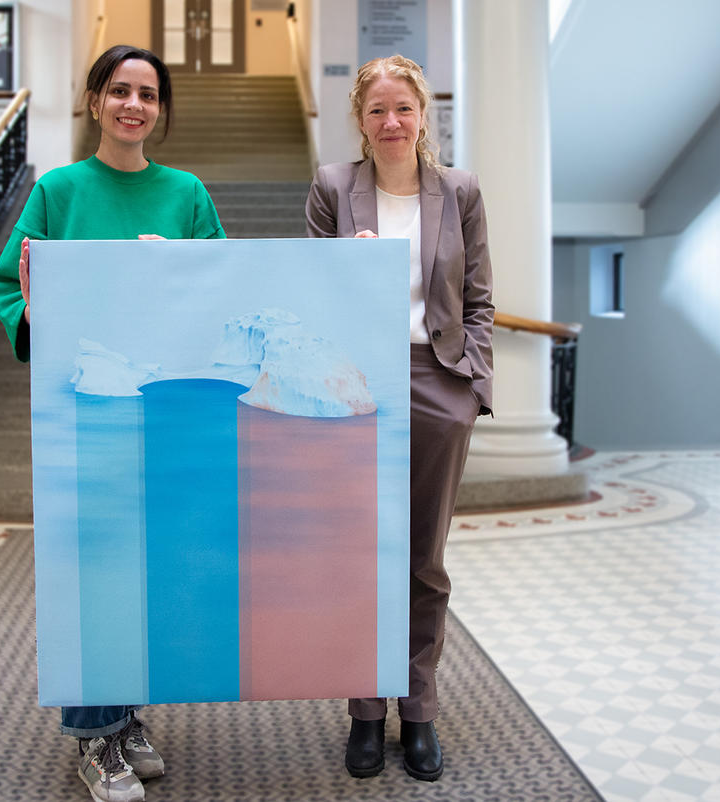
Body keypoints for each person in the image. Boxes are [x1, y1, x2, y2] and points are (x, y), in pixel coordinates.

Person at [0, 44, 226, 802]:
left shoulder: (186, 193)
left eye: (148, 95)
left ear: (161, 110)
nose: (133, 105)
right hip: (86, 407)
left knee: (144, 568)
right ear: (95, 101)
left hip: (164, 408)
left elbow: (222, 287)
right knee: (93, 565)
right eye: (119, 91)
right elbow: (9, 283)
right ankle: (94, 738)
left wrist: (177, 272)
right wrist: (38, 318)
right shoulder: (57, 191)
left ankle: (122, 719)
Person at [304, 54, 494, 783]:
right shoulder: (332, 188)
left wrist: (470, 388)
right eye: (377, 110)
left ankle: (418, 710)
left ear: (424, 117)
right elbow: (314, 296)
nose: (392, 122)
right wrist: (346, 272)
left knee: (424, 560)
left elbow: (479, 299)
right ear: (359, 119)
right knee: (359, 553)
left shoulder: (462, 192)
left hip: (438, 384)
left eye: (404, 109)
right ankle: (363, 712)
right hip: (358, 386)